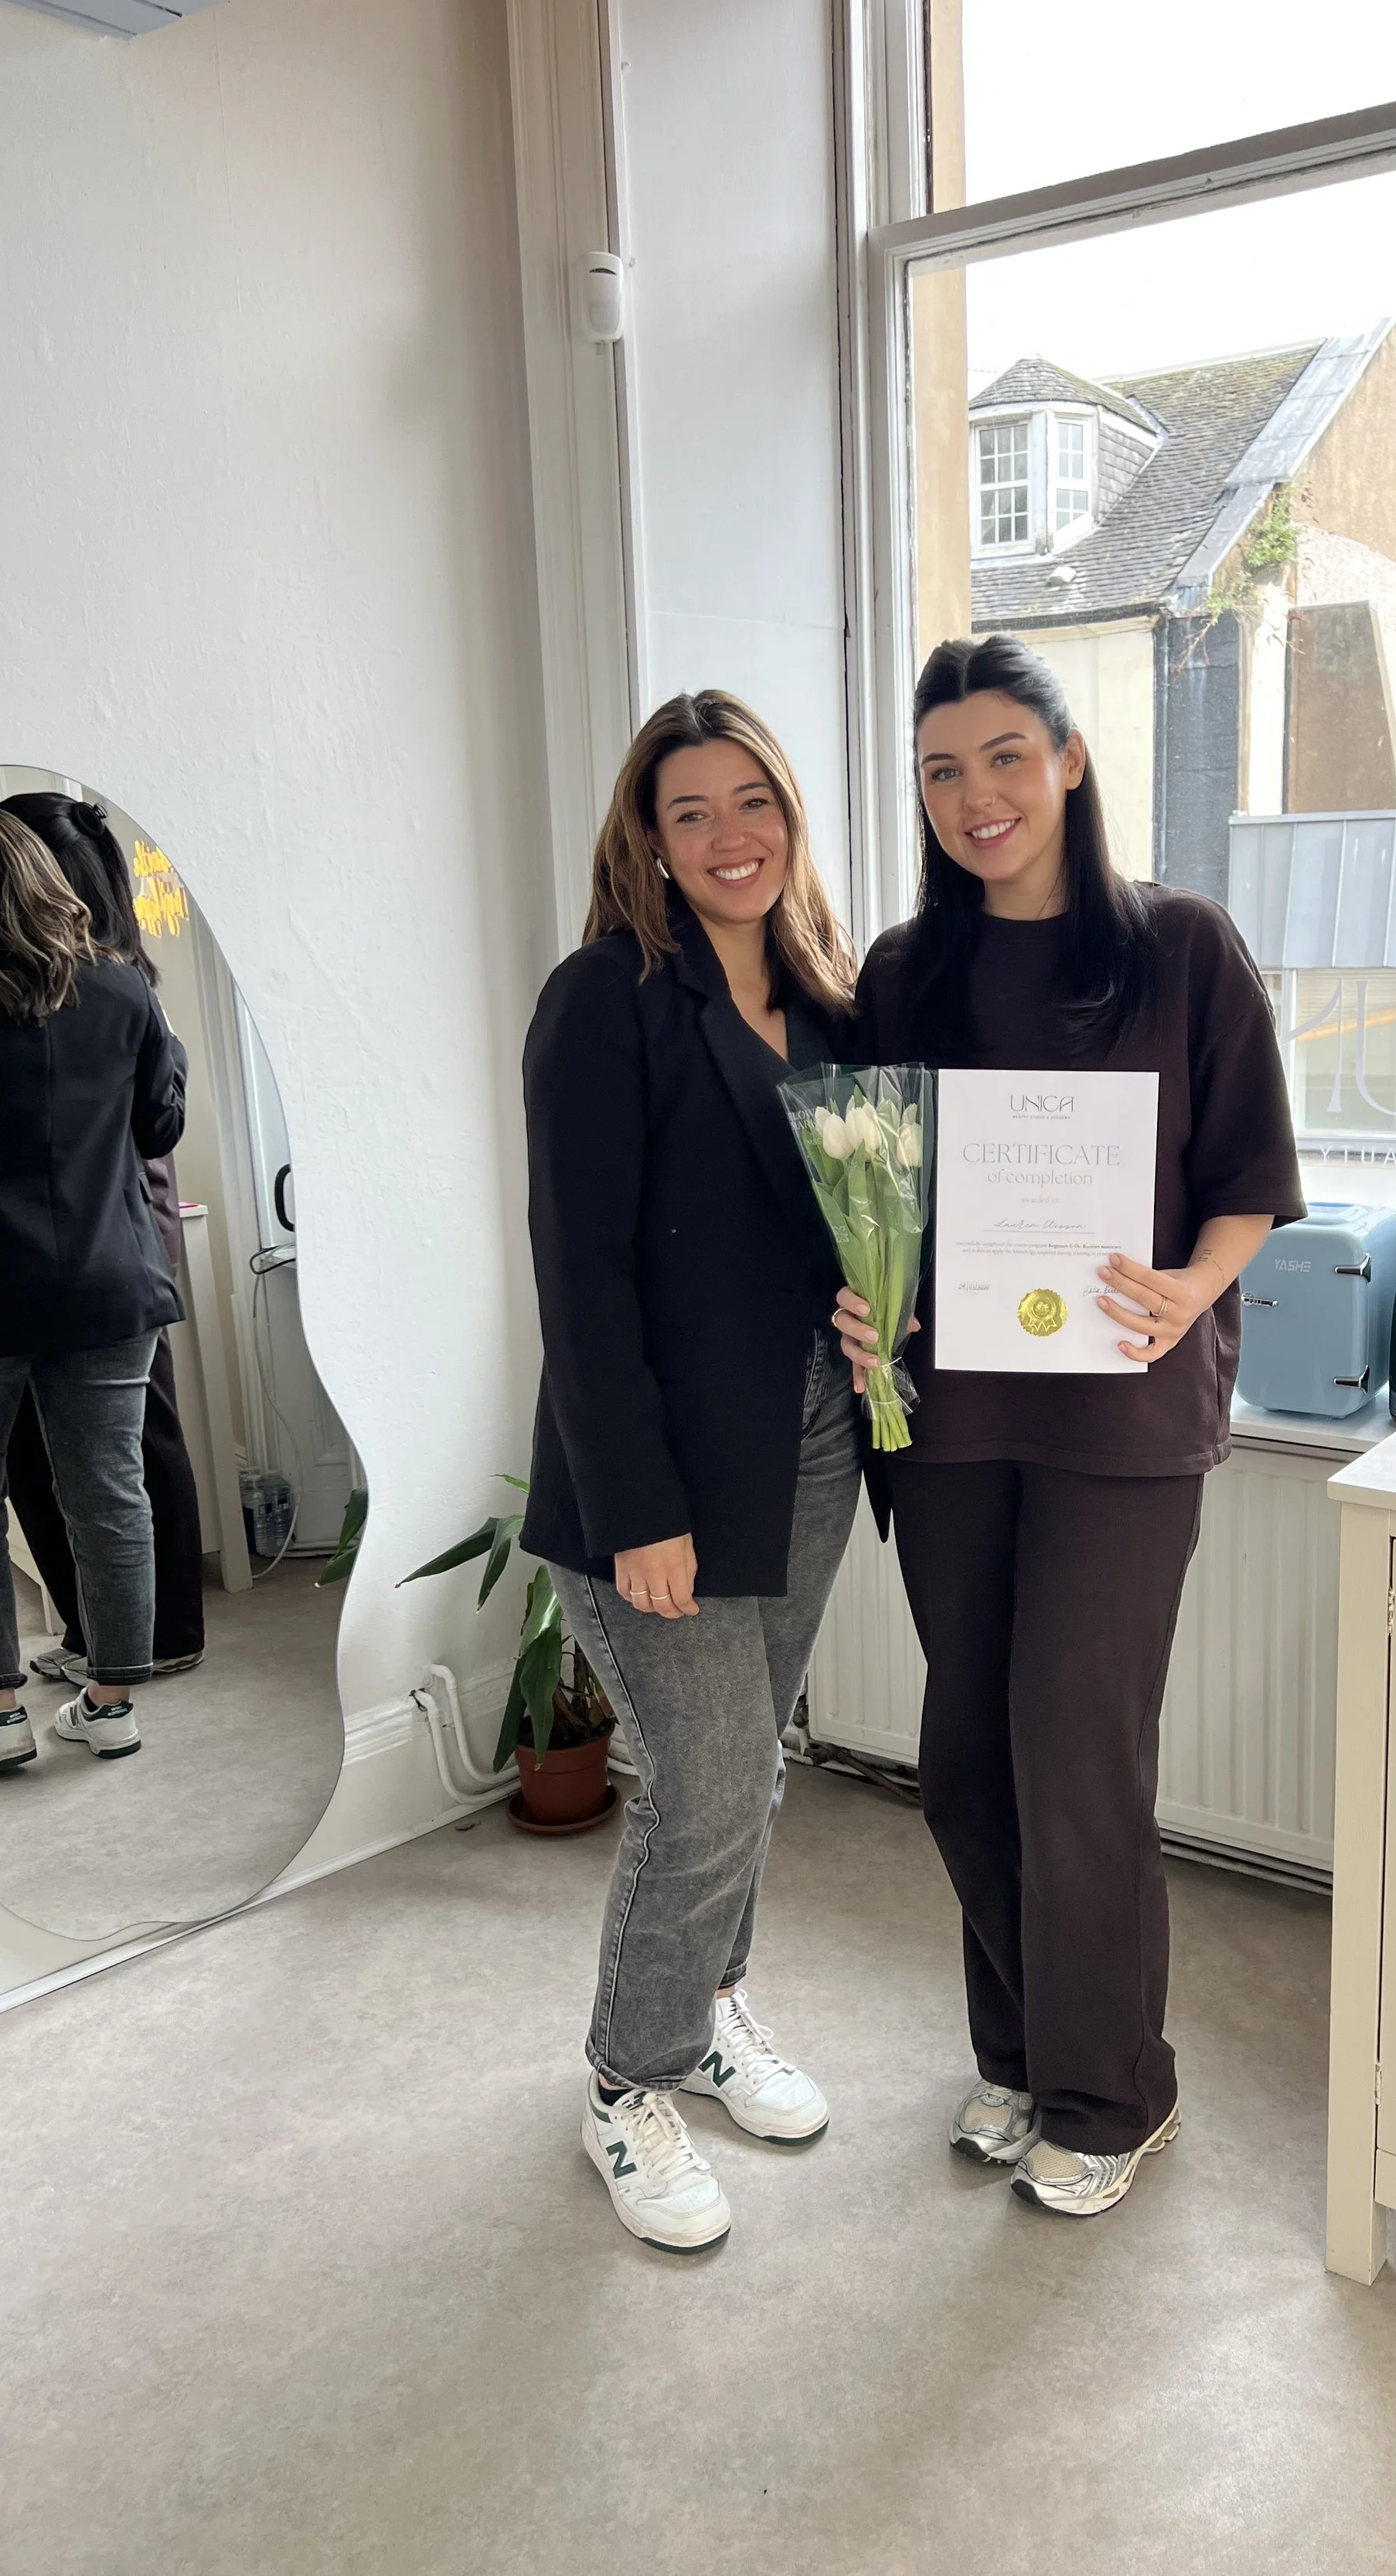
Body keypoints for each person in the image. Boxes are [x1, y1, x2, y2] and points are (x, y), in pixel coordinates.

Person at [841, 634, 1306, 2220]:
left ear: (1068, 762)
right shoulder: (904, 972)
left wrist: (1189, 1286)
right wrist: (864, 1297)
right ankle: (1025, 2047)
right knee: (964, 1753)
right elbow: (869, 1185)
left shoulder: (1183, 948)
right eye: (939, 770)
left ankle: (1114, 2090)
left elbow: (1248, 1176)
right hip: (948, 1413)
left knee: (1074, 1752)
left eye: (1002, 759)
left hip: (1122, 1416)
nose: (975, 797)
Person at [520, 689, 862, 2256]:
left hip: (806, 1437)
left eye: (753, 803)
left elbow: (849, 1224)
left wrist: (884, 1300)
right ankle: (624, 2079)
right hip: (653, 1464)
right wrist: (638, 1510)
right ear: (645, 841)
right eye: (690, 812)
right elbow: (579, 1275)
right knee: (705, 1776)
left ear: (789, 813)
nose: (729, 837)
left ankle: (709, 2009)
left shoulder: (831, 997)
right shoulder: (604, 999)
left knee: (755, 1760)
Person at [0, 807, 187, 1775]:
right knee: (108, 1491)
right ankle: (113, 1703)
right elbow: (160, 1127)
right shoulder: (123, 991)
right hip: (108, 1283)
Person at [0, 794, 207, 1679]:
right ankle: (104, 1635)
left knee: (118, 1447)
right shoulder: (105, 982)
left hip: (112, 1232)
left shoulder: (107, 985)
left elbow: (156, 1122)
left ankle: (153, 1637)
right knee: (72, 1454)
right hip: (87, 1237)